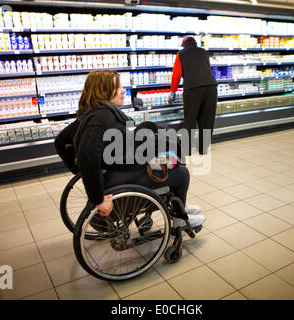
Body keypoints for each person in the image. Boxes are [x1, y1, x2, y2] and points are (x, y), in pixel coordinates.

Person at [65, 70, 205, 226]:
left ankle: (180, 206)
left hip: (116, 168)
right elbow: (87, 156)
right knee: (181, 173)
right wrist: (97, 198)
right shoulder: (101, 117)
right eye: (118, 87)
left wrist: (79, 172)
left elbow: (61, 142)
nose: (123, 90)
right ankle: (179, 218)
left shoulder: (90, 112)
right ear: (104, 91)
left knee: (162, 144)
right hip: (120, 175)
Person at [168, 36, 218, 155]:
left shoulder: (181, 54)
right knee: (207, 120)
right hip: (211, 87)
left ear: (183, 44)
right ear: (195, 43)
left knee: (190, 120)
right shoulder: (204, 52)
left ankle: (187, 150)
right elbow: (207, 69)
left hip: (193, 89)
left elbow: (176, 75)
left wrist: (172, 92)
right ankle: (203, 149)